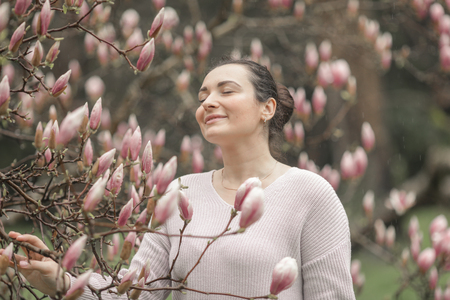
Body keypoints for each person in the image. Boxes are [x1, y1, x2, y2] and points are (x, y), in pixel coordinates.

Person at [2, 58, 355, 299]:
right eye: (203, 96)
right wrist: (59, 279)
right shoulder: (183, 191)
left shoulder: (309, 194)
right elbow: (135, 293)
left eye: (226, 91)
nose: (208, 103)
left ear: (268, 108)